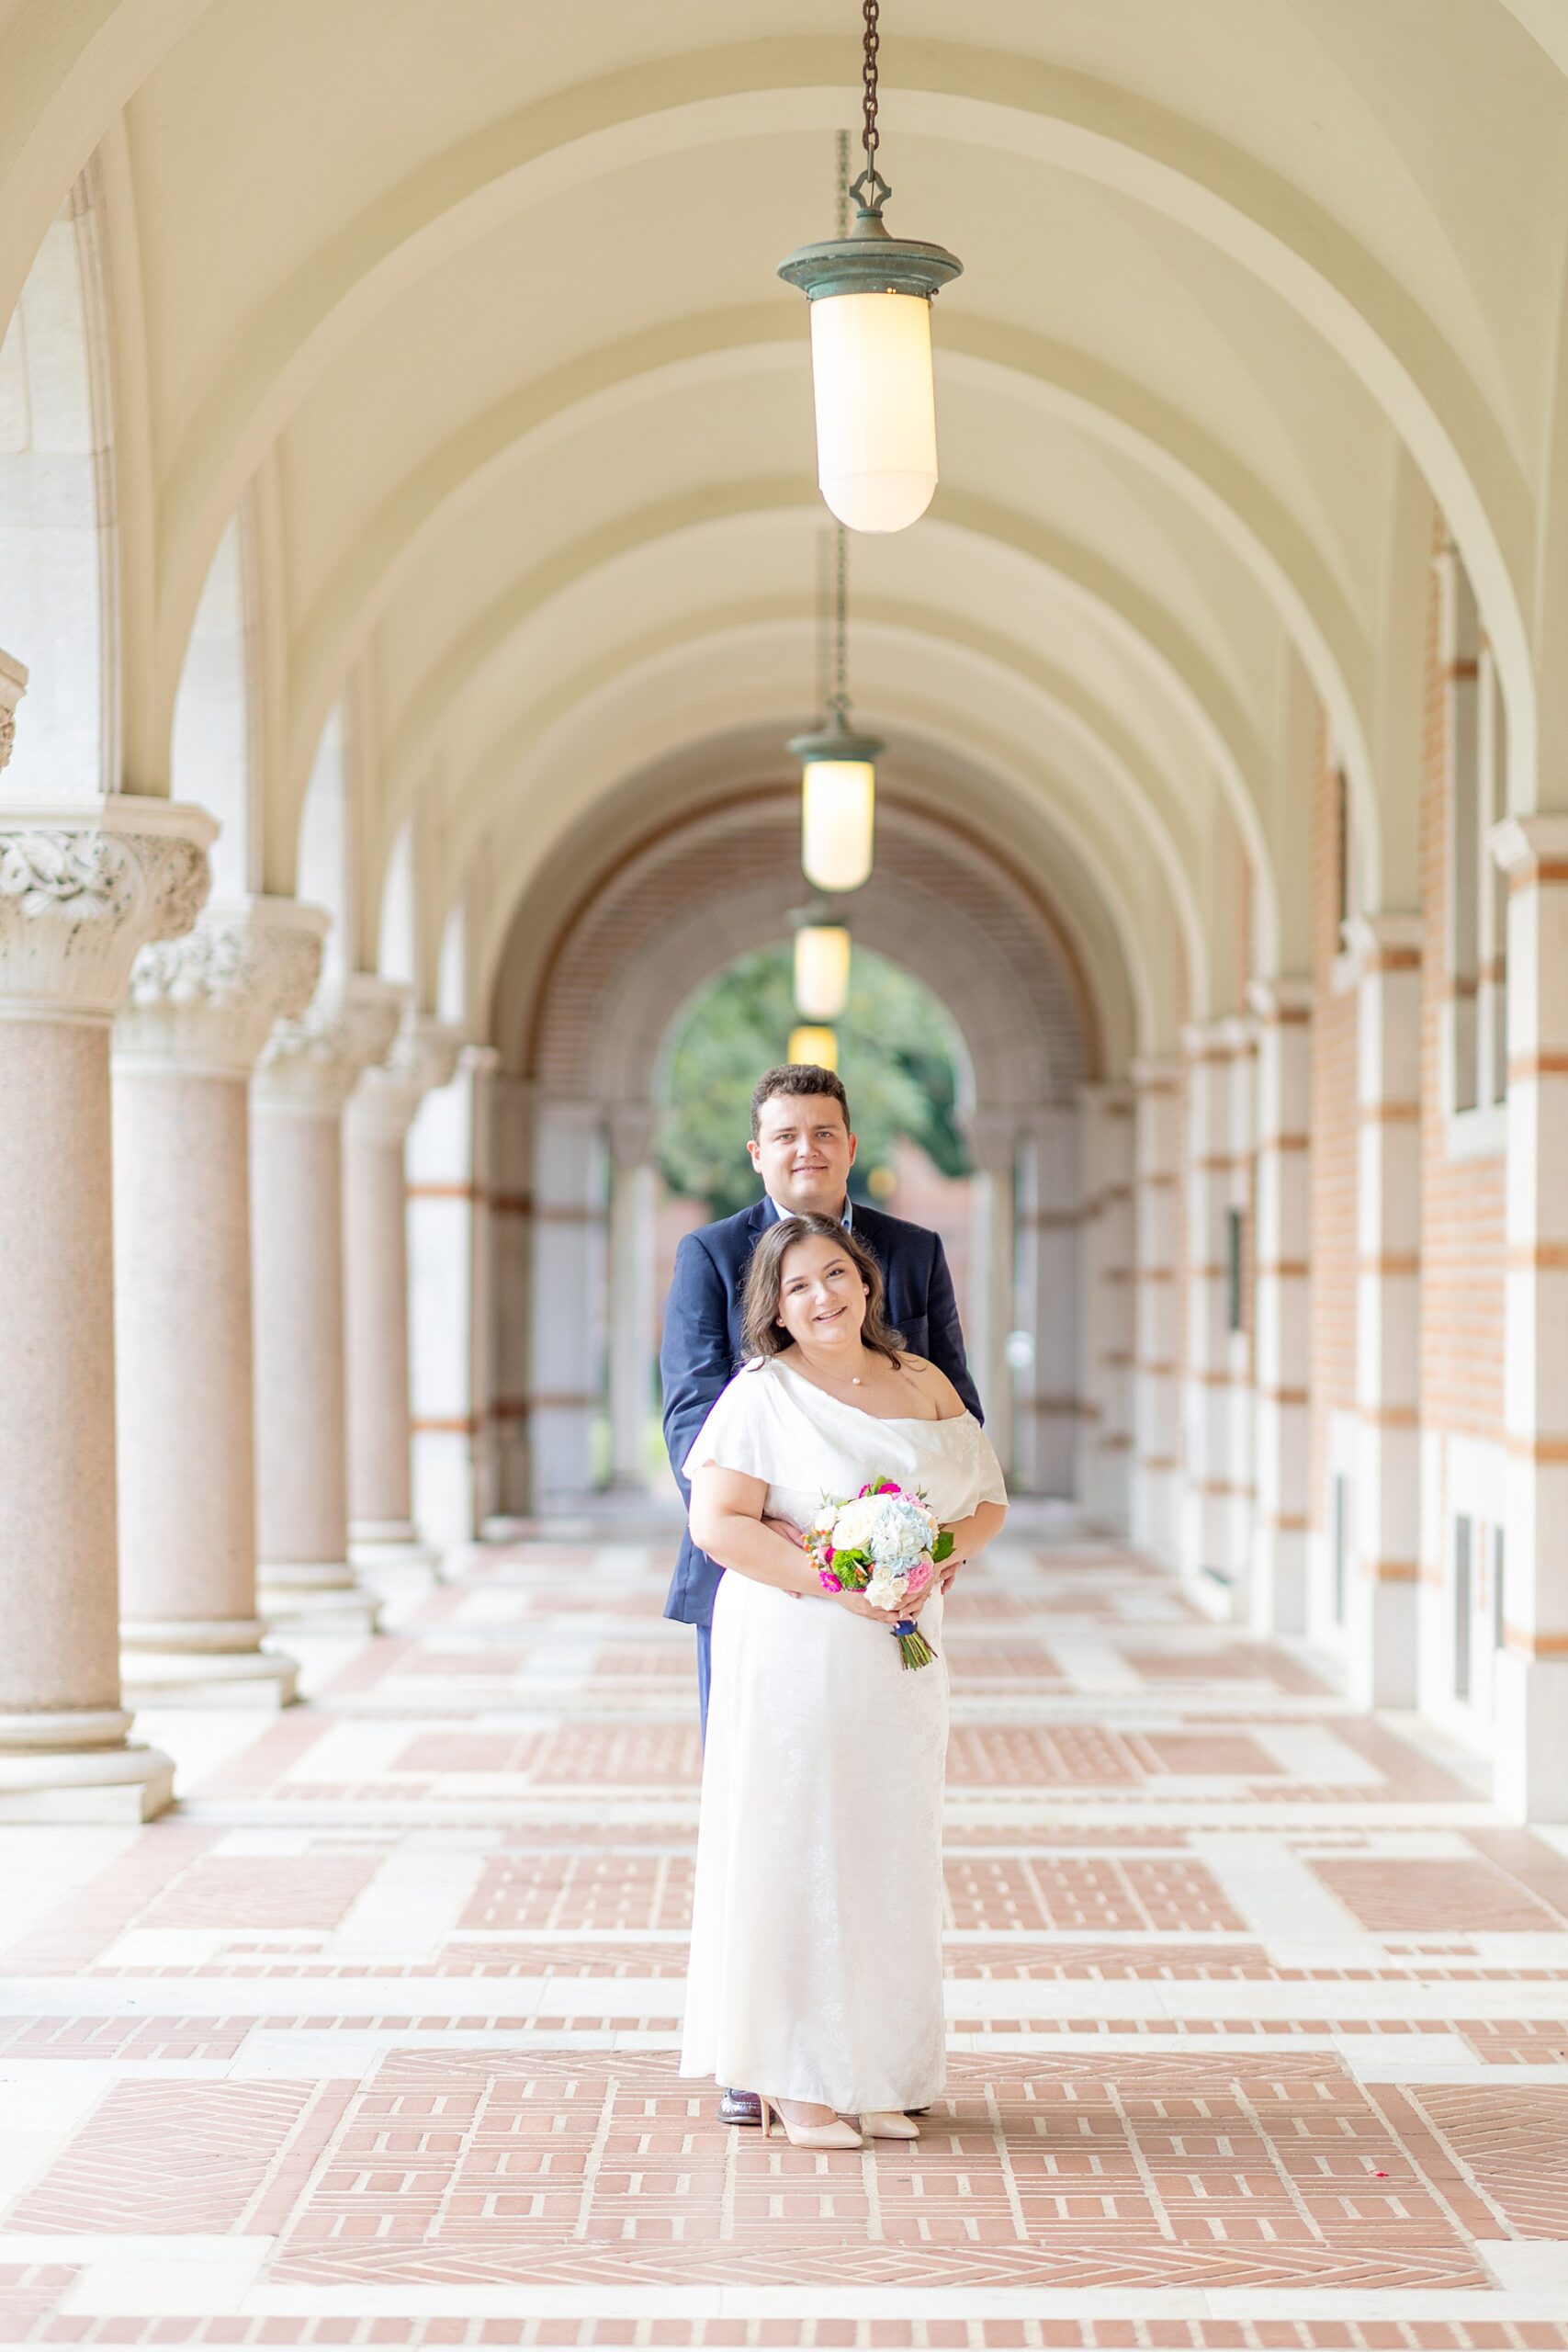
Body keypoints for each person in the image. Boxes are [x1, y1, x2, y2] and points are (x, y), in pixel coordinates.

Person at [660, 1062, 983, 2126]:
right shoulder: (710, 1254)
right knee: (772, 1816)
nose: (807, 1147)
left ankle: (869, 2062)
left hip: (894, 1603)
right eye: (785, 1133)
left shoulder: (913, 1251)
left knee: (883, 1828)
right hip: (766, 1590)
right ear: (758, 1151)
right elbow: (692, 1412)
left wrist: (913, 1554)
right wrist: (815, 1543)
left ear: (849, 1144)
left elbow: (951, 1413)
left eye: (825, 1131)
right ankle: (767, 2061)